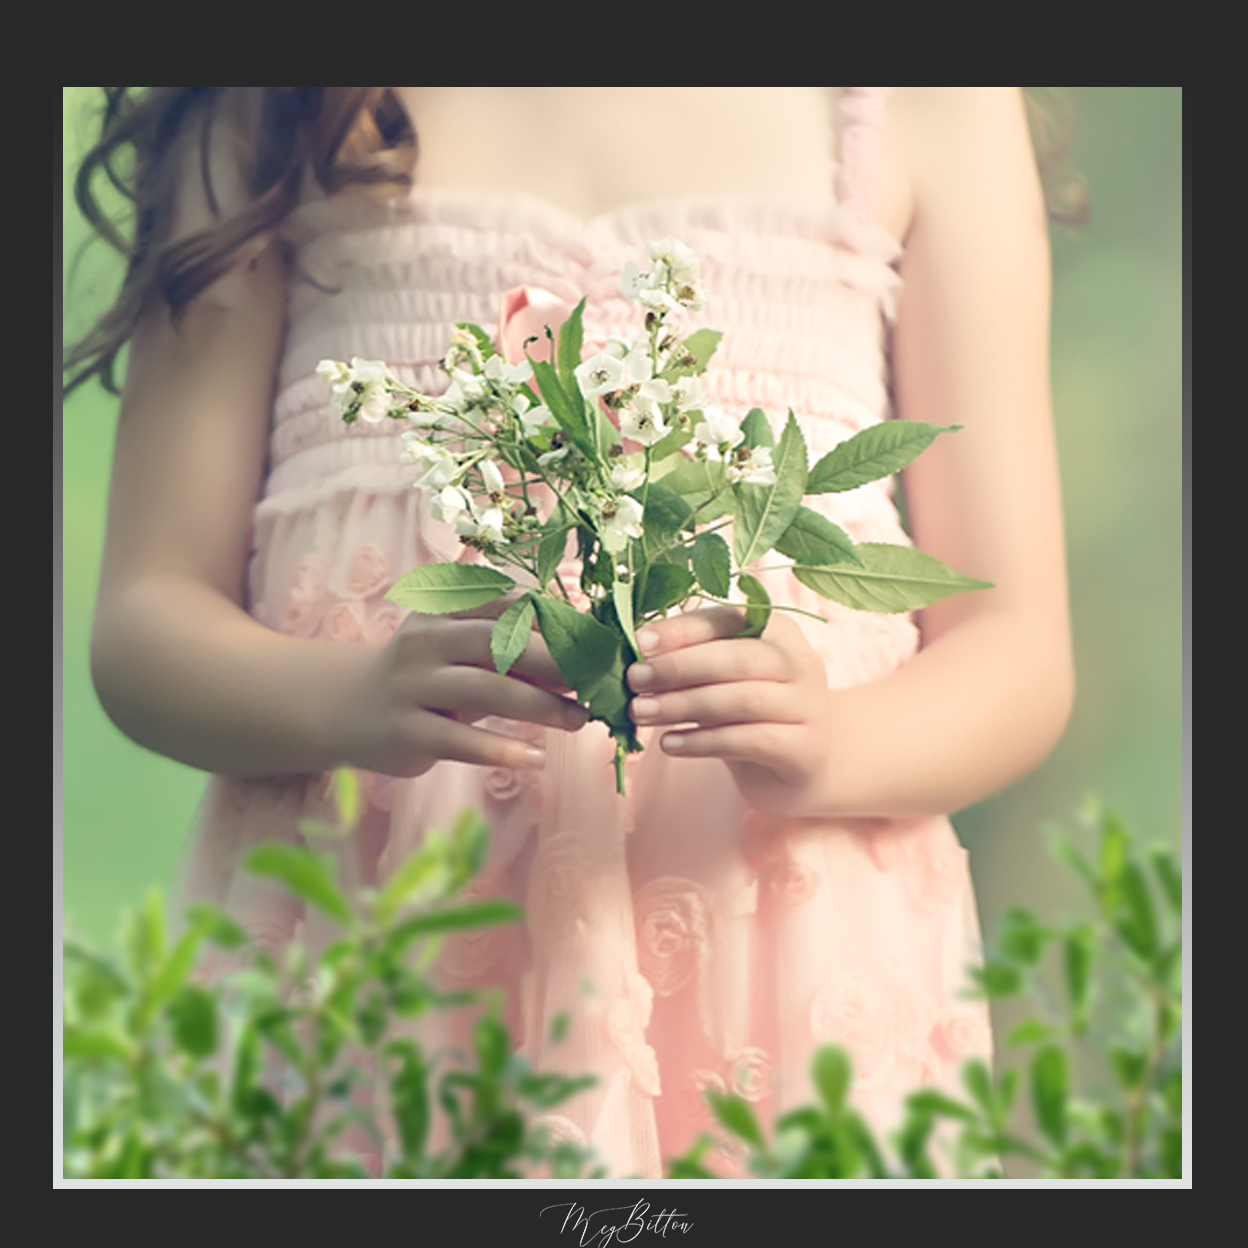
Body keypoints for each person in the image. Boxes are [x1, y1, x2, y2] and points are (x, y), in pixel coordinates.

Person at [66, 87, 1075, 1177]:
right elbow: (147, 621)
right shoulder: (273, 104)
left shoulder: (928, 98)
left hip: (776, 964)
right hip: (377, 957)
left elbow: (1015, 649)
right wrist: (352, 701)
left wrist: (831, 742)